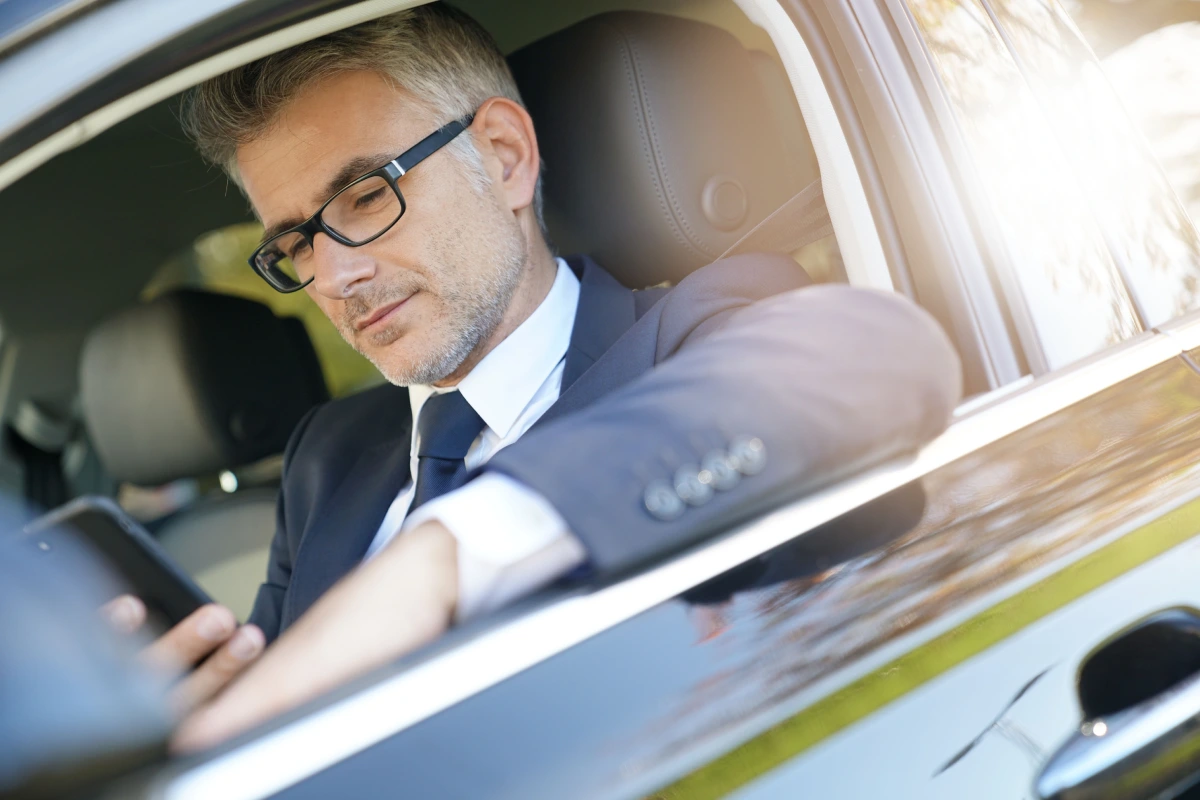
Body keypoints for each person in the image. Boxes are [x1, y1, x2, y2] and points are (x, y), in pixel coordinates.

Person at [106, 4, 962, 748]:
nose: (332, 278)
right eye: (295, 242)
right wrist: (202, 715)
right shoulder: (328, 455)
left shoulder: (701, 335)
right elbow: (288, 696)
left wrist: (451, 554)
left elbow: (877, 352)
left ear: (507, 156)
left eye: (367, 196)